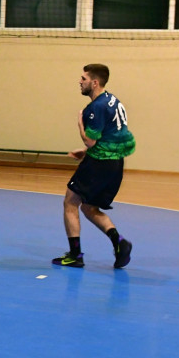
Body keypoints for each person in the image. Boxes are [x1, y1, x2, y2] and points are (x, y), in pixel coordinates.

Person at [52, 63, 136, 269]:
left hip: (99, 163)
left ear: (95, 82)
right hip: (115, 163)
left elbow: (90, 140)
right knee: (89, 207)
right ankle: (119, 242)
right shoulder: (113, 100)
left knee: (70, 201)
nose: (79, 82)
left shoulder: (94, 107)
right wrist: (87, 151)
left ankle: (74, 255)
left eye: (83, 79)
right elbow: (111, 135)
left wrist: (81, 127)